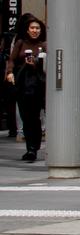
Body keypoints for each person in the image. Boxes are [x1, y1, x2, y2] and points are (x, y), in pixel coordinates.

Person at [6, 15, 46, 162]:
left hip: (38, 85)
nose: (35, 30)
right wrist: (10, 72)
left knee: (34, 117)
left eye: (37, 28)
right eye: (32, 28)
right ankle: (30, 147)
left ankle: (33, 148)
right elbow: (11, 60)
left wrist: (36, 63)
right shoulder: (21, 43)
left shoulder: (44, 45)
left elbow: (48, 65)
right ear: (27, 30)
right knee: (25, 117)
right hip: (22, 84)